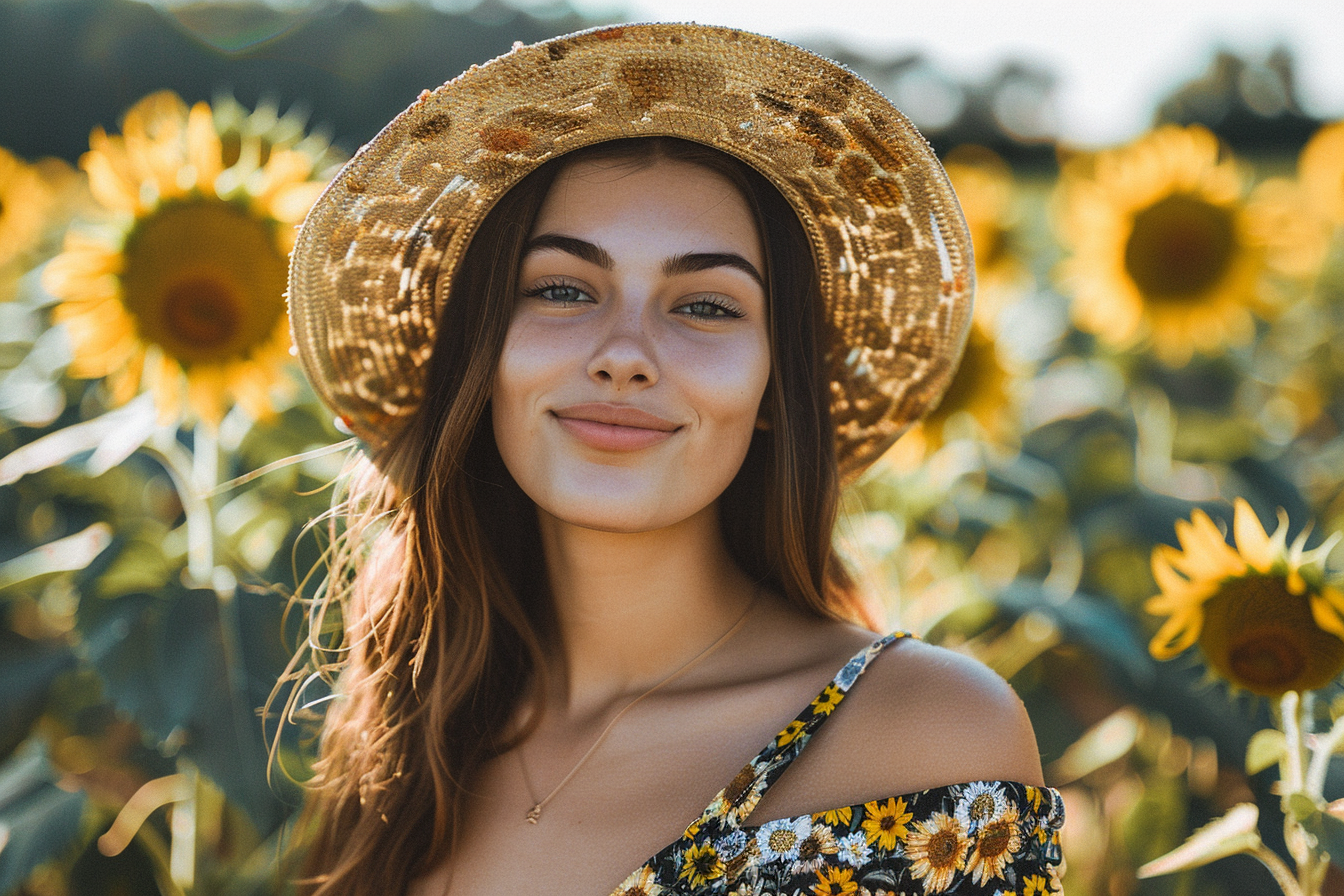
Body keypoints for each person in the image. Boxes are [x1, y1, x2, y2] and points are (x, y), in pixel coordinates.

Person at [283, 22, 1064, 896]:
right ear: (482, 353)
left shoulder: (923, 736)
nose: (625, 353)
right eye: (562, 289)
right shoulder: (407, 740)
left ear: (776, 388)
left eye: (705, 306)